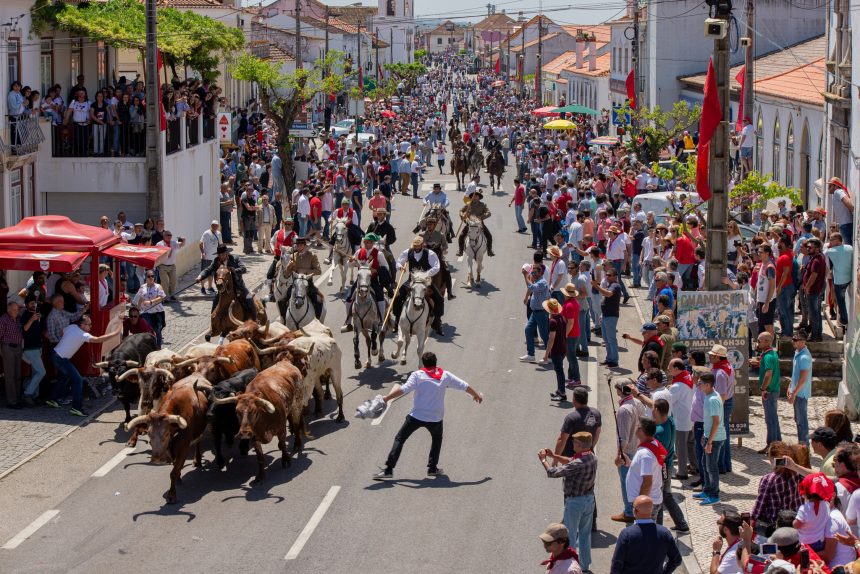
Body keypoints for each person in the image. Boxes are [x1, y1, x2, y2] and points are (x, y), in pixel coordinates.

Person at [373, 351, 482, 480]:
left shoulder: (418, 375)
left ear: (423, 364)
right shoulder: (445, 375)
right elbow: (464, 385)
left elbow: (404, 389)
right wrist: (476, 395)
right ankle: (432, 468)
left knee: (400, 439)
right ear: (436, 362)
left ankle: (389, 469)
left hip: (416, 416)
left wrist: (386, 399)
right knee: (437, 439)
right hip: (436, 418)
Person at [540, 432, 597, 573]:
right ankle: (584, 565)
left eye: (575, 443)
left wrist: (543, 460)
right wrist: (554, 456)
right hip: (589, 499)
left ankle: (570, 565)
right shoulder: (591, 457)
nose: (572, 444)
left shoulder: (578, 463)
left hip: (575, 502)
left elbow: (552, 472)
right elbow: (571, 461)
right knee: (585, 534)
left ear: (580, 445)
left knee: (570, 535)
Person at [46, 315, 120, 417]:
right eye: (89, 324)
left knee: (65, 376)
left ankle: (52, 399)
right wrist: (114, 333)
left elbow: (62, 332)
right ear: (82, 325)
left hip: (55, 355)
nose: (90, 326)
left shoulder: (71, 327)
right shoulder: (82, 334)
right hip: (61, 358)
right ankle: (76, 408)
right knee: (78, 380)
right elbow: (98, 339)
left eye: (91, 324)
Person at [610, 495, 682, 574]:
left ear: (635, 511)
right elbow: (677, 559)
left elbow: (617, 563)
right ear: (651, 510)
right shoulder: (664, 533)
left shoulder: (627, 534)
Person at [391, 236, 445, 334]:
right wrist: (400, 267)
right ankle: (397, 320)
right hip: (412, 281)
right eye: (415, 245)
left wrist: (427, 274)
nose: (416, 247)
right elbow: (399, 261)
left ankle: (437, 321)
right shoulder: (408, 252)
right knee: (397, 297)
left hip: (425, 281)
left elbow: (436, 266)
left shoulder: (430, 254)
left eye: (418, 245)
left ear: (422, 244)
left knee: (439, 299)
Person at [612, 384, 648, 523]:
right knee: (635, 483)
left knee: (626, 483)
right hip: (639, 447)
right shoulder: (638, 403)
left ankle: (629, 512)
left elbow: (623, 437)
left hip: (628, 451)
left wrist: (619, 455)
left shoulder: (623, 410)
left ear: (620, 391)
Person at [196, 244, 258, 322]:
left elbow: (243, 269)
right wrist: (200, 276)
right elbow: (208, 270)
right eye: (219, 255)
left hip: (238, 286)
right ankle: (213, 324)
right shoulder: (216, 261)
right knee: (215, 301)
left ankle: (255, 319)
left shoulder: (235, 258)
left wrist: (233, 270)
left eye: (222, 254)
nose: (221, 257)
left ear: (227, 253)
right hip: (223, 288)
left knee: (249, 298)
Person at [693, 372, 725, 506]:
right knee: (705, 464)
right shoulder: (708, 395)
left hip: (715, 439)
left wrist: (710, 442)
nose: (698, 385)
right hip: (708, 436)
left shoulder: (712, 399)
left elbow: (716, 422)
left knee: (711, 467)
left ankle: (714, 495)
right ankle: (706, 490)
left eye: (700, 383)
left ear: (707, 385)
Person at [751, 331, 781, 454]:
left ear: (767, 342)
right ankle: (777, 444)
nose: (757, 343)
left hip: (769, 391)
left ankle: (772, 446)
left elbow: (768, 375)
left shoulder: (768, 356)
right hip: (773, 390)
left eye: (759, 340)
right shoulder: (771, 354)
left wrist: (763, 389)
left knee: (770, 420)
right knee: (773, 418)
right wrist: (758, 363)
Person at [281, 237, 324, 319]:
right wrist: (288, 268)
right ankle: (284, 319)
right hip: (295, 283)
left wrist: (303, 270)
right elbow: (286, 275)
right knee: (282, 300)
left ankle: (317, 320)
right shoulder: (292, 256)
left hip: (307, 282)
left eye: (300, 245)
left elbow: (318, 271)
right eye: (297, 245)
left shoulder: (312, 256)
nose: (298, 246)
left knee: (318, 300)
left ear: (305, 245)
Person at [709, 344, 736, 474]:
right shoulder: (727, 366)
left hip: (722, 404)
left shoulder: (719, 373)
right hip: (727, 403)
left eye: (712, 355)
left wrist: (716, 411)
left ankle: (721, 465)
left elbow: (722, 395)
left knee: (719, 436)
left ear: (717, 357)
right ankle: (726, 464)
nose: (709, 356)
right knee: (724, 435)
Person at [593, 266, 622, 368]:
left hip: (611, 316)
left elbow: (608, 294)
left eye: (609, 275)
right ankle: (609, 358)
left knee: (611, 339)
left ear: (615, 276)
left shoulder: (615, 285)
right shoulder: (610, 285)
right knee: (606, 338)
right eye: (607, 275)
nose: (607, 277)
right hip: (606, 315)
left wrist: (596, 286)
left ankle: (614, 361)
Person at [20, 295, 46, 407]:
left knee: (36, 372)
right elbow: (24, 329)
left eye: (34, 303)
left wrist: (38, 319)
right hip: (30, 348)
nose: (33, 304)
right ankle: (27, 394)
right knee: (41, 372)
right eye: (30, 303)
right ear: (26, 305)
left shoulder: (35, 314)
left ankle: (35, 396)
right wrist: (32, 319)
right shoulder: (26, 315)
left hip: (37, 347)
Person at [824, 232, 853, 329]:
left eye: (831, 239)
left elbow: (824, 255)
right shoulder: (850, 248)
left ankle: (844, 320)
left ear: (837, 240)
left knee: (841, 301)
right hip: (849, 278)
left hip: (839, 281)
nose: (829, 241)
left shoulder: (830, 251)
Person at [788, 332, 813, 445]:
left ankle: (804, 446)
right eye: (793, 339)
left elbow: (803, 379)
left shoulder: (804, 357)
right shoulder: (797, 353)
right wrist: (790, 387)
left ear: (803, 342)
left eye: (796, 340)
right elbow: (795, 375)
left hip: (801, 393)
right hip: (796, 392)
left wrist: (794, 393)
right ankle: (801, 444)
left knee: (802, 421)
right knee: (798, 420)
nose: (793, 341)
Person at [544, 298, 570, 403]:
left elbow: (551, 339)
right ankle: (560, 390)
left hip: (557, 350)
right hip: (563, 348)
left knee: (559, 372)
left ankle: (562, 393)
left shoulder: (553, 321)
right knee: (558, 370)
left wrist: (546, 354)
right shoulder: (561, 317)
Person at [133, 270, 166, 348]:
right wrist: (137, 310)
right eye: (149, 276)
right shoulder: (142, 287)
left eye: (152, 276)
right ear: (146, 278)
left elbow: (161, 298)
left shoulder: (158, 286)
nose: (151, 278)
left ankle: (158, 348)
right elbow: (141, 298)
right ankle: (149, 346)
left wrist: (151, 302)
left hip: (158, 312)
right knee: (149, 329)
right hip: (146, 312)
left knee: (158, 330)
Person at [457, 189, 494, 257]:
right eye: (474, 196)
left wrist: (481, 217)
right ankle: (460, 251)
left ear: (479, 197)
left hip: (479, 224)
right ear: (472, 197)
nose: (475, 197)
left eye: (477, 196)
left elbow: (489, 213)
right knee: (461, 236)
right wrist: (462, 215)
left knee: (489, 236)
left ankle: (489, 251)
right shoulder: (468, 204)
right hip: (470, 224)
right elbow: (461, 211)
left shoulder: (483, 205)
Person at [0, 301, 24, 409]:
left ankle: (18, 399)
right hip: (8, 347)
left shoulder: (18, 318)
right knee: (10, 375)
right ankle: (11, 401)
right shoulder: (3, 319)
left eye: (17, 309)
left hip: (18, 347)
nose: (16, 311)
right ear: (8, 310)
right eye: (14, 310)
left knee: (18, 374)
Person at [155, 230, 185, 301]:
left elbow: (181, 245)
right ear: (164, 236)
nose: (169, 236)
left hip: (172, 265)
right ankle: (166, 297)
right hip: (163, 265)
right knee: (164, 282)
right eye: (168, 235)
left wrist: (183, 240)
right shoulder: (159, 244)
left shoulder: (173, 243)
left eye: (170, 235)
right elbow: (157, 254)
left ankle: (172, 294)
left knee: (173, 281)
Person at [198, 220, 222, 295]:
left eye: (216, 225)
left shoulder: (219, 233)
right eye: (213, 225)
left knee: (211, 273)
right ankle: (202, 287)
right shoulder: (206, 233)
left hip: (214, 257)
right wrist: (203, 252)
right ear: (211, 225)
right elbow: (200, 243)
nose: (215, 227)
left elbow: (220, 244)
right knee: (204, 273)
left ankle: (210, 286)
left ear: (218, 226)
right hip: (206, 257)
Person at [828, 177, 854, 245]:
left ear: (836, 186)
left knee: (849, 249)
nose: (828, 187)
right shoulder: (836, 194)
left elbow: (846, 200)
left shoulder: (838, 191)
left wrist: (854, 211)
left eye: (830, 185)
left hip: (846, 224)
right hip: (845, 224)